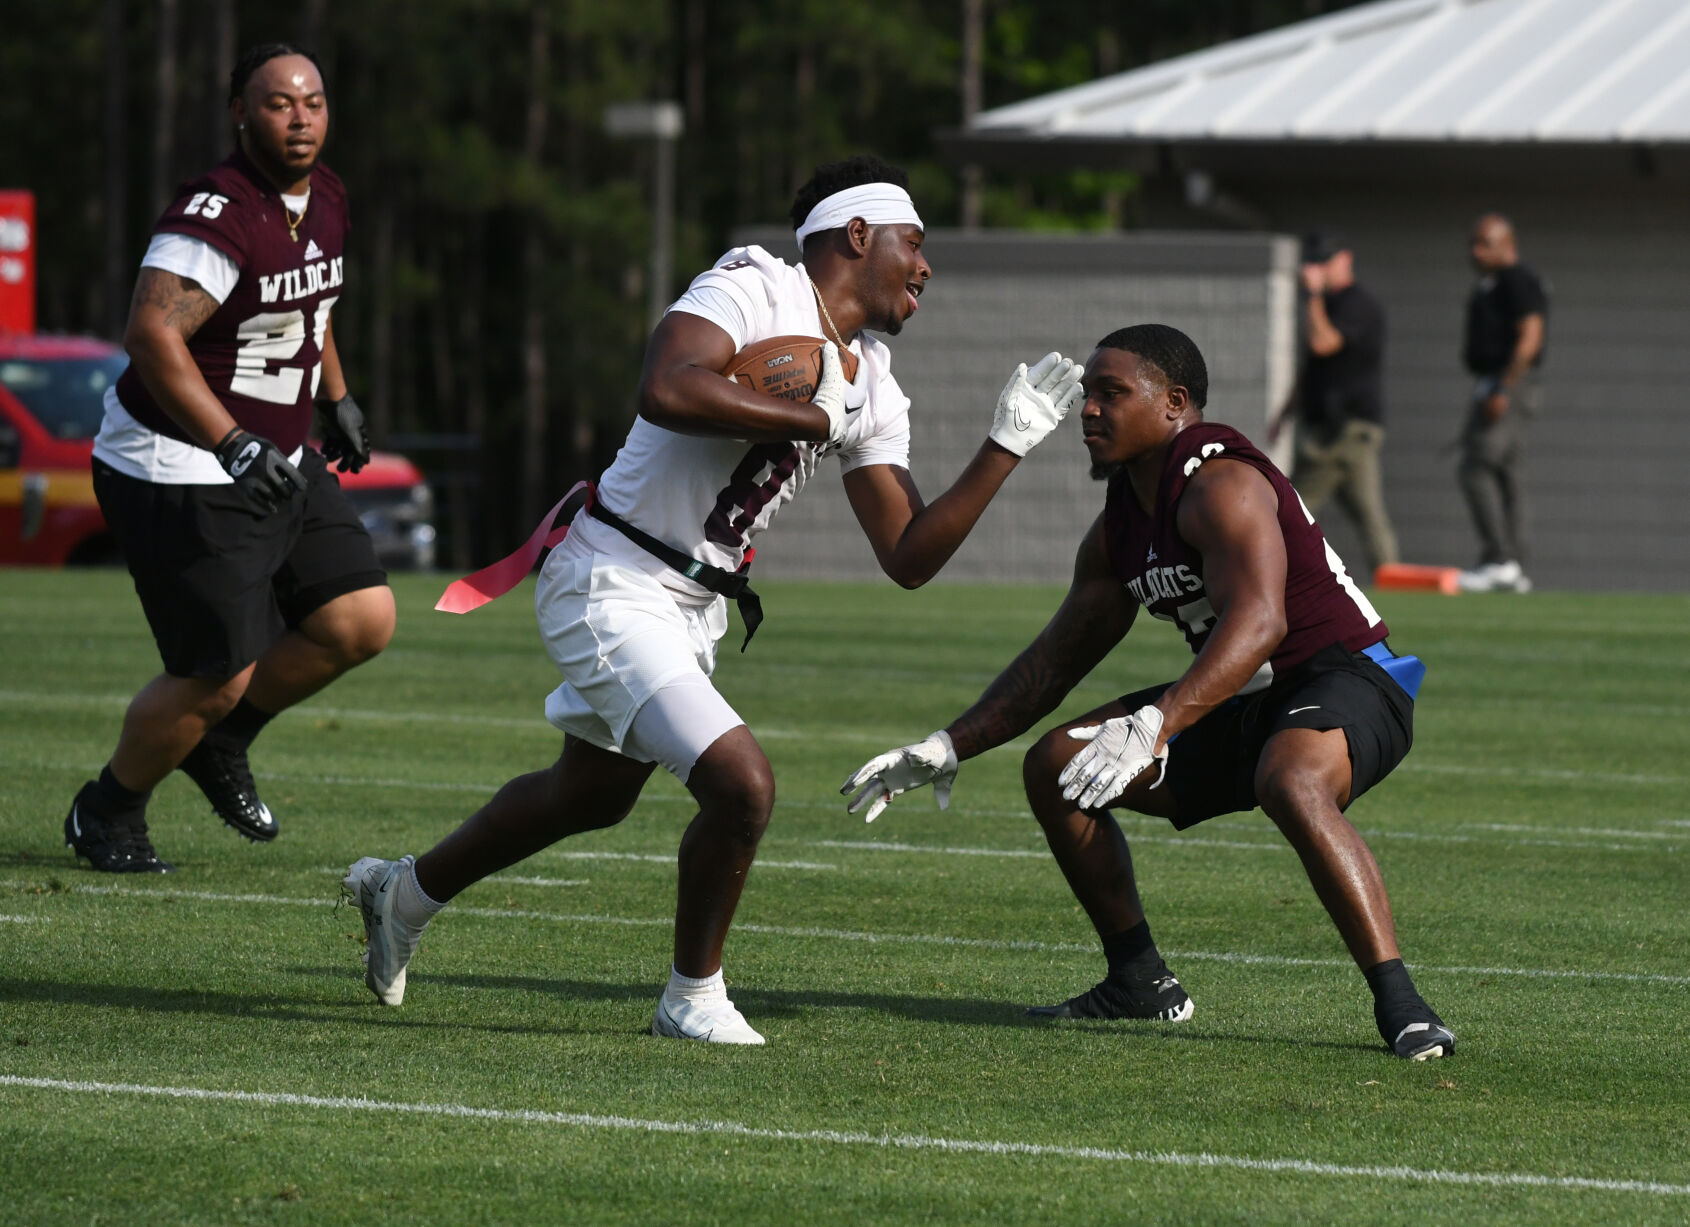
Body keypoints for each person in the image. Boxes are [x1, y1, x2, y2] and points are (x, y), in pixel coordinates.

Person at [343, 156, 1086, 1045]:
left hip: (694, 606)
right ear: (858, 235)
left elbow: (908, 555)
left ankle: (402, 893)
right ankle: (691, 994)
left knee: (587, 795)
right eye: (914, 243)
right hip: (612, 576)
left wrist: (1003, 447)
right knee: (743, 784)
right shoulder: (754, 285)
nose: (926, 267)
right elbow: (666, 386)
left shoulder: (876, 385)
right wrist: (809, 416)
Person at [844, 323, 1455, 1061]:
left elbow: (1261, 623)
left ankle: (1402, 1004)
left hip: (1344, 674)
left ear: (1174, 403)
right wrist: (951, 744)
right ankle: (1139, 980)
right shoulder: (1121, 525)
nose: (1088, 410)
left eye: (1111, 393)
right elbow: (1056, 661)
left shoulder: (1221, 482)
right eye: (1088, 395)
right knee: (1057, 766)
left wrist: (1155, 724)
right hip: (1245, 694)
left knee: (1291, 780)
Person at [66, 43, 394, 873]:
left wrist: (335, 394)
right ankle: (107, 810)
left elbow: (310, 302)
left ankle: (220, 740)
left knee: (359, 618)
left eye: (313, 102)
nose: (300, 119)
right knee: (215, 672)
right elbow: (151, 334)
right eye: (279, 103)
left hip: (269, 453)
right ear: (241, 112)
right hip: (178, 461)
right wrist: (232, 440)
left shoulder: (325, 195)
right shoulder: (218, 212)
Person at [1287, 231, 1398, 575]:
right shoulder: (1327, 304)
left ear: (1345, 259)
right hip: (1340, 428)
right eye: (1314, 262)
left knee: (1291, 506)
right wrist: (1285, 412)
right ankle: (1393, 577)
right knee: (1368, 514)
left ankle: (1276, 576)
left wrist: (1313, 295)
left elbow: (1323, 344)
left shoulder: (1357, 304)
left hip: (1345, 429)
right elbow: (1313, 367)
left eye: (1325, 262)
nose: (1318, 269)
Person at [1456, 213, 1547, 594]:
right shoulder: (1489, 283)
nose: (1476, 251)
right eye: (1473, 243)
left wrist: (1504, 387)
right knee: (1509, 475)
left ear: (1507, 245)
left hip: (1508, 382)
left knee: (1477, 467)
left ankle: (1500, 559)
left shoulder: (1516, 279)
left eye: (1485, 244)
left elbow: (1531, 334)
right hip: (1494, 381)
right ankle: (1513, 565)